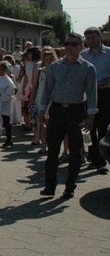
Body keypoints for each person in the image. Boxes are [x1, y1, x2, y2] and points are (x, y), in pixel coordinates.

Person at [38, 32, 98, 198]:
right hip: (57, 110)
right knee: (52, 151)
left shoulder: (88, 68)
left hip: (76, 111)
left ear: (81, 47)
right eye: (67, 43)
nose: (69, 47)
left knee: (75, 152)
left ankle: (69, 186)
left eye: (73, 44)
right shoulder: (55, 67)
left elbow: (92, 94)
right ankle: (50, 186)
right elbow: (47, 90)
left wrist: (91, 116)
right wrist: (42, 111)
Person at [81, 27, 110, 174]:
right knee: (87, 128)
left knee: (102, 127)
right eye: (87, 38)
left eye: (93, 37)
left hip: (105, 94)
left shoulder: (108, 53)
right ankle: (92, 155)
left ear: (99, 37)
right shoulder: (83, 55)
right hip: (87, 95)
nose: (90, 41)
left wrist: (100, 83)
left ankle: (101, 159)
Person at [32, 47, 57, 152]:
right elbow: (34, 86)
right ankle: (43, 145)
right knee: (41, 122)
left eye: (50, 59)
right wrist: (32, 100)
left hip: (53, 99)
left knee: (53, 123)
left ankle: (53, 145)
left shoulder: (57, 71)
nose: (48, 62)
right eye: (46, 60)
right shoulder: (40, 71)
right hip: (41, 98)